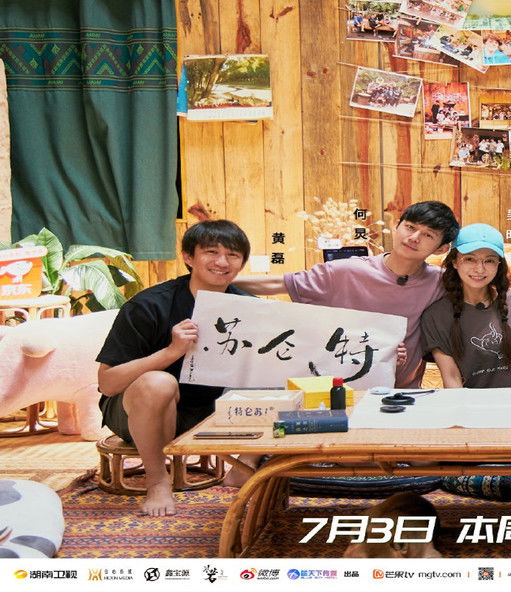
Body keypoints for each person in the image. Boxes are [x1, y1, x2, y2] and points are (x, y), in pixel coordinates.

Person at [96, 220, 254, 516]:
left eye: (233, 255)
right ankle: (157, 482)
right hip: (137, 411)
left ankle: (245, 467)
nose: (222, 262)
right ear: (188, 257)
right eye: (211, 252)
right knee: (159, 383)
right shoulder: (149, 305)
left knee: (283, 374)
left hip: (209, 414)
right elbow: (108, 383)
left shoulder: (248, 307)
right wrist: (171, 351)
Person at [234, 201, 460, 388]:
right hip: (339, 389)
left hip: (401, 392)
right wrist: (216, 283)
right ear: (396, 226)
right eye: (410, 227)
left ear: (441, 248)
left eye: (428, 235)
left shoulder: (440, 282)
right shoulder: (346, 271)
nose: (414, 237)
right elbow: (277, 283)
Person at [421, 224, 511, 388]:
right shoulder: (436, 316)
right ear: (454, 261)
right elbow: (451, 376)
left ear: (499, 264)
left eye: (489, 260)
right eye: (470, 259)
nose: (479, 269)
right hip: (477, 403)